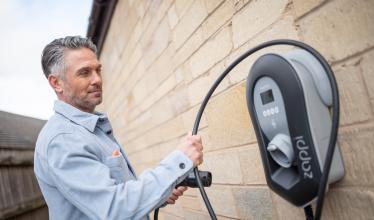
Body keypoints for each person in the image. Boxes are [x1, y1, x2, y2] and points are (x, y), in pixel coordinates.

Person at [34, 36, 204, 220]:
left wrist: (161, 191)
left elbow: (117, 192)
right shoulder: (64, 139)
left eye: (98, 70)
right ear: (56, 83)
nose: (97, 79)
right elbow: (114, 208)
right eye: (84, 73)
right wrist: (180, 161)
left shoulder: (89, 129)